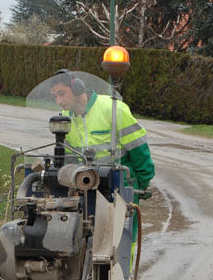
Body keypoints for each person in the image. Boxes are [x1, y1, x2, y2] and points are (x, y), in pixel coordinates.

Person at [49, 69, 155, 197]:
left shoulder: (113, 108)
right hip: (86, 182)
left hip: (120, 182)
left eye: (61, 93)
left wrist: (142, 184)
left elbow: (138, 149)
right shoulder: (65, 121)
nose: (59, 101)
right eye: (55, 97)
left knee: (126, 216)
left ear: (77, 87)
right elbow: (69, 158)